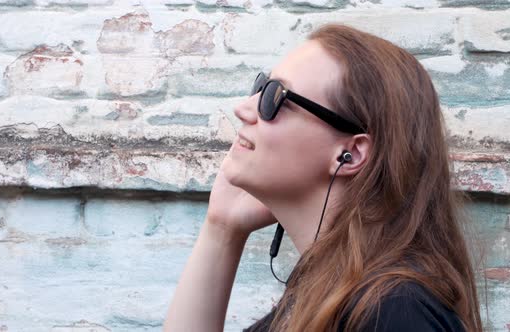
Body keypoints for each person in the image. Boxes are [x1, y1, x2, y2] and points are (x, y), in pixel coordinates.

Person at [163, 24, 483, 332]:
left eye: (275, 97)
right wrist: (221, 229)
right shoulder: (325, 289)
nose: (244, 109)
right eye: (260, 87)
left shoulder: (392, 311)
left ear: (351, 154)